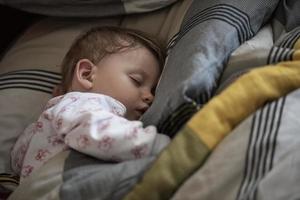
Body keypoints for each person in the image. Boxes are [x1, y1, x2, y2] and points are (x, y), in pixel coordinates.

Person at [10, 26, 170, 181]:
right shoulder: (82, 102)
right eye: (137, 80)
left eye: (153, 90)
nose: (150, 96)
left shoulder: (43, 125)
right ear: (87, 75)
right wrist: (158, 144)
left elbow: (18, 162)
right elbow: (97, 130)